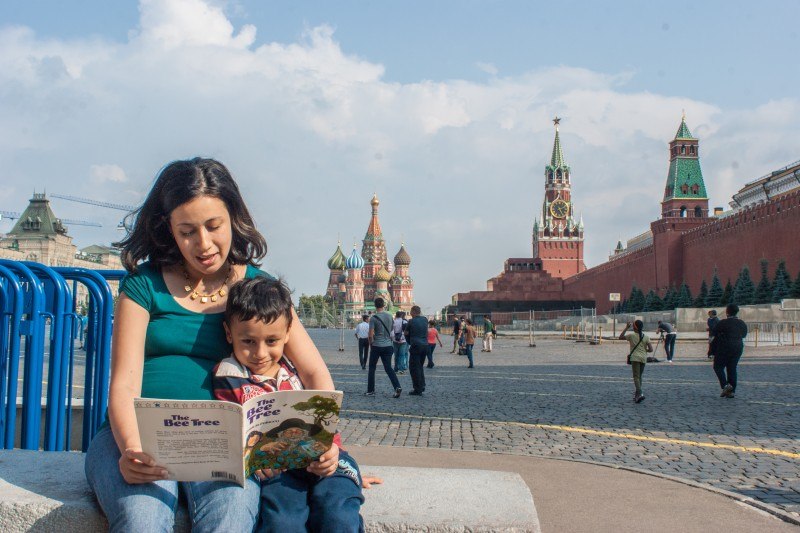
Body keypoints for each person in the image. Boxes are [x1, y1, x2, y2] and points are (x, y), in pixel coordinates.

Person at [84, 158, 335, 531]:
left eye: (214, 227)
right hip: (140, 435)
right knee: (142, 519)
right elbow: (123, 382)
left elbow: (314, 370)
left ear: (233, 218)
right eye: (187, 231)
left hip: (223, 446)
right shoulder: (143, 285)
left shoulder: (259, 288)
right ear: (168, 228)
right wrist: (131, 451)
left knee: (231, 517)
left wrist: (322, 437)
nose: (203, 244)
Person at [212, 276, 370, 531]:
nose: (260, 353)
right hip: (278, 471)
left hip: (327, 459)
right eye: (248, 341)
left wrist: (331, 452)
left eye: (271, 341)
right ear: (229, 334)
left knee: (339, 514)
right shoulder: (228, 376)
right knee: (282, 521)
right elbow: (229, 434)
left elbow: (326, 421)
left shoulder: (298, 367)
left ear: (288, 334)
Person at [365, 297, 402, 398]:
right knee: (388, 368)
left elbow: (370, 334)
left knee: (372, 368)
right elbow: (391, 329)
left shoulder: (373, 318)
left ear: (375, 305)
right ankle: (397, 386)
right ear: (384, 305)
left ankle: (370, 390)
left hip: (377, 345)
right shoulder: (390, 316)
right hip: (388, 346)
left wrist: (371, 344)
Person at [710, 304, 748, 398]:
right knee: (732, 368)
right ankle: (731, 391)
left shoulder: (723, 322)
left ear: (727, 312)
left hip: (724, 347)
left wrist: (711, 349)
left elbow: (712, 336)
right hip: (738, 347)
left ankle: (726, 386)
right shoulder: (742, 323)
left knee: (718, 366)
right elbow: (744, 335)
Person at [619, 320, 653, 403]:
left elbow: (620, 337)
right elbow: (651, 349)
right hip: (643, 358)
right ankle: (637, 396)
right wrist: (645, 350)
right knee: (640, 377)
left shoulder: (631, 335)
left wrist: (626, 327)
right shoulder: (646, 337)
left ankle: (640, 393)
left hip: (635, 358)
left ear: (634, 327)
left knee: (636, 377)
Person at [405, 306, 429, 396]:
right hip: (425, 346)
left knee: (414, 368)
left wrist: (409, 341)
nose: (410, 313)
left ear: (413, 312)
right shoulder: (425, 320)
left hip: (415, 345)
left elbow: (406, 333)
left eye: (411, 311)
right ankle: (422, 385)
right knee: (420, 366)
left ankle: (417, 389)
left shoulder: (411, 321)